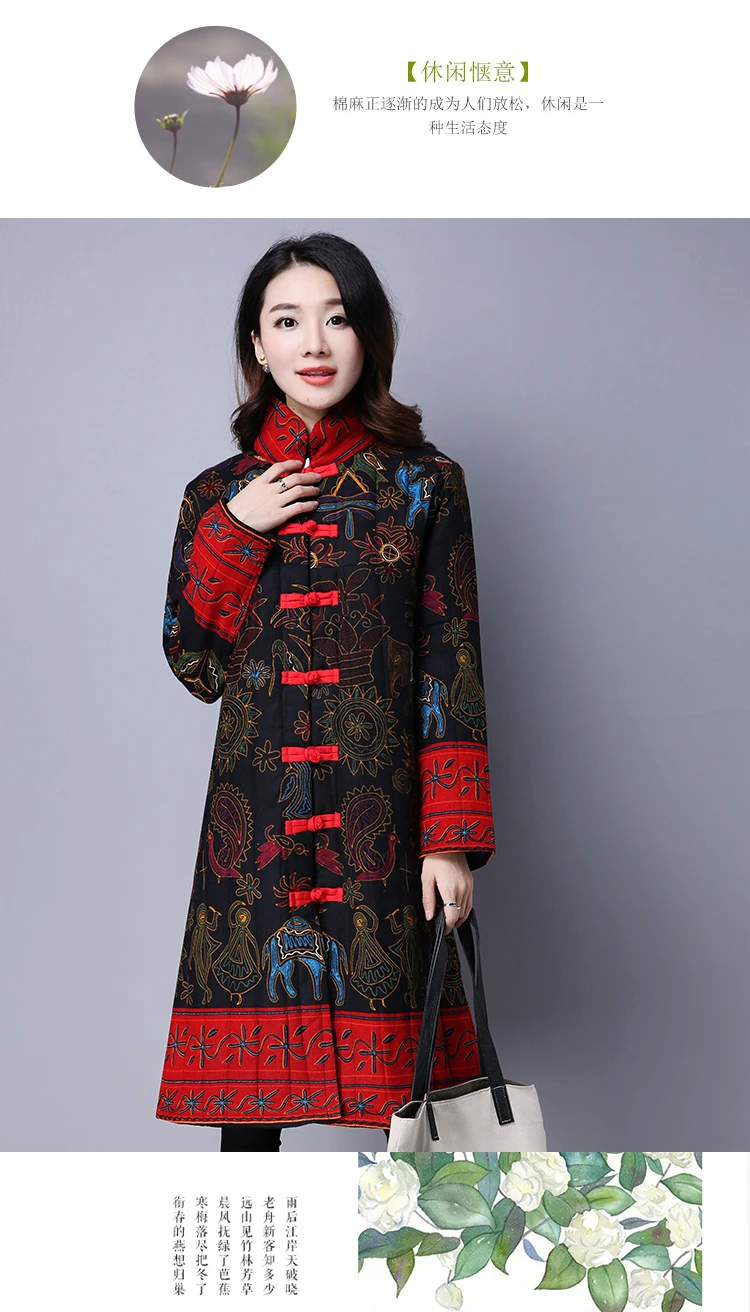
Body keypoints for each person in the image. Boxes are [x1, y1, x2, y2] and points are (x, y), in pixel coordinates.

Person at [155, 232, 497, 1151]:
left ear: (369, 336)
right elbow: (193, 664)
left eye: (337, 318)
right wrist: (237, 529)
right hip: (254, 834)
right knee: (248, 1121)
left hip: (380, 830)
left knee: (412, 1116)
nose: (313, 342)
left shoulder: (425, 486)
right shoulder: (215, 496)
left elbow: (451, 665)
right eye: (287, 321)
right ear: (257, 346)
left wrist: (450, 841)